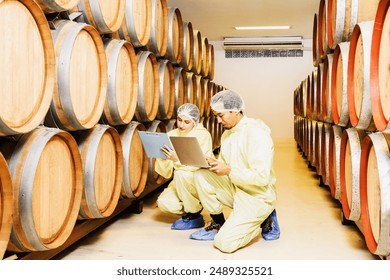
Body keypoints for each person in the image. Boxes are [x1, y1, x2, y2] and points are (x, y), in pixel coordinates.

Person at [189, 90, 280, 253]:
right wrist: (213, 163)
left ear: (236, 110)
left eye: (221, 115)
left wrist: (229, 169)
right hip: (236, 187)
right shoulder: (227, 134)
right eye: (215, 115)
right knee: (201, 174)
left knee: (224, 244)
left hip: (257, 196)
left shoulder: (256, 133)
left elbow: (261, 178)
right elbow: (226, 166)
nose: (218, 120)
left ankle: (264, 217)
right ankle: (217, 223)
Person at [155, 103, 214, 230]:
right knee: (164, 203)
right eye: (179, 120)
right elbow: (164, 172)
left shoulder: (202, 135)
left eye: (187, 122)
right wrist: (163, 157)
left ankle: (193, 214)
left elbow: (201, 164)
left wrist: (177, 159)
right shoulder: (172, 134)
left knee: (182, 174)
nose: (181, 125)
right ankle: (193, 206)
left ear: (194, 122)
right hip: (179, 182)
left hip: (197, 179)